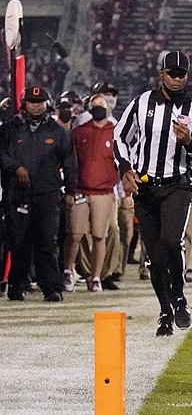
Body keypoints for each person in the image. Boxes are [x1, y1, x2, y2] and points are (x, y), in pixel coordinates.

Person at [114, 50, 192, 336]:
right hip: (145, 187)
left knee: (171, 241)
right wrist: (124, 168)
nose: (176, 78)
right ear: (161, 73)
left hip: (177, 185)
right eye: (172, 73)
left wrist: (190, 142)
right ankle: (164, 310)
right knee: (154, 257)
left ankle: (179, 296)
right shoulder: (141, 102)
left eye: (181, 74)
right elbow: (120, 137)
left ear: (187, 76)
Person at [0, 87, 77, 302]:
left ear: (47, 104)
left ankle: (51, 288)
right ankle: (17, 285)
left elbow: (70, 162)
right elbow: (1, 154)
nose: (36, 105)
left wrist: (70, 190)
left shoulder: (58, 131)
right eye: (32, 101)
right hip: (17, 193)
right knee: (18, 242)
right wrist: (14, 167)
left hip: (47, 194)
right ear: (24, 103)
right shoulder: (9, 129)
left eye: (40, 101)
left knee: (47, 242)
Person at [62, 94, 118, 293]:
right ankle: (68, 271)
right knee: (75, 234)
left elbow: (124, 163)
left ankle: (96, 277)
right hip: (81, 190)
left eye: (101, 106)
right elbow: (69, 162)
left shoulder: (116, 133)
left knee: (99, 236)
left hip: (104, 192)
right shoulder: (79, 132)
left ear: (108, 109)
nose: (98, 109)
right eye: (95, 106)